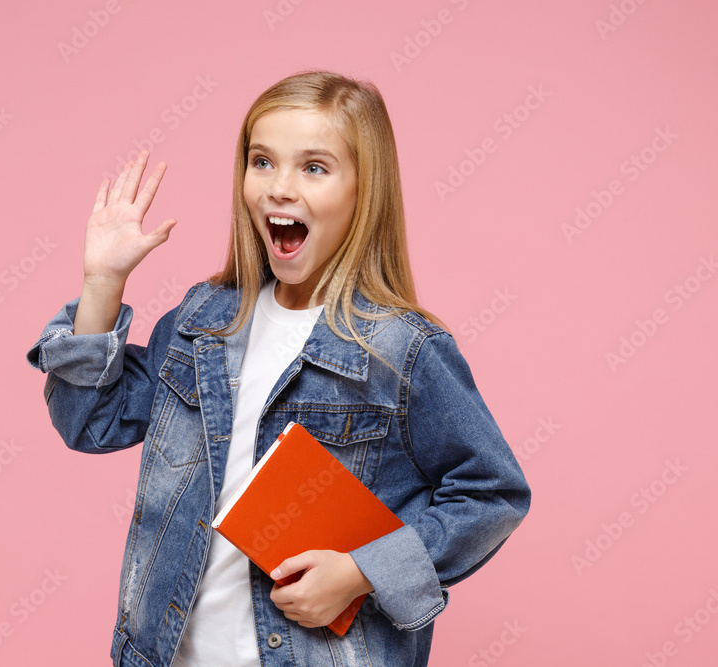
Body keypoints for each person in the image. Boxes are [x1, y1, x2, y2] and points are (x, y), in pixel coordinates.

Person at [26, 70, 530, 667]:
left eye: (314, 168)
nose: (279, 188)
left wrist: (359, 572)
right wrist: (102, 283)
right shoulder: (204, 320)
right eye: (262, 161)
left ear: (363, 191)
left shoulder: (402, 347)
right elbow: (89, 422)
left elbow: (492, 492)